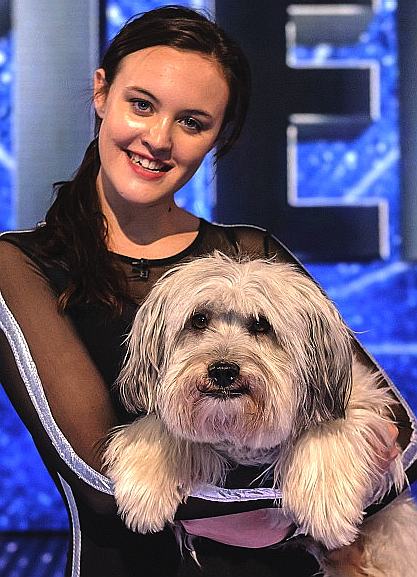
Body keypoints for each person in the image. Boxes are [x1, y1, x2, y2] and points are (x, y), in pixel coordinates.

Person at [0, 6, 415, 577]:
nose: (158, 139)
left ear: (219, 136)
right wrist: (306, 497)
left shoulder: (253, 252)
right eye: (141, 104)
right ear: (102, 92)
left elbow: (398, 430)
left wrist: (334, 464)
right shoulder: (21, 267)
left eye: (193, 122)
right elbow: (105, 481)